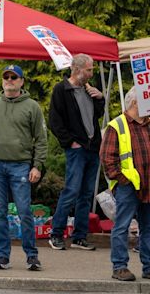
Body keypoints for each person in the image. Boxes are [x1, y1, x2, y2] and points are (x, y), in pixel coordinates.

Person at [0, 65, 46, 271]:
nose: (10, 80)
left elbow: (41, 140)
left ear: (22, 82)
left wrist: (37, 166)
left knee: (24, 211)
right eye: (6, 77)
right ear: (3, 81)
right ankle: (2, 256)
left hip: (21, 165)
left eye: (14, 77)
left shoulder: (32, 107)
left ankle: (32, 255)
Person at [48, 53, 104, 251]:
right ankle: (56, 233)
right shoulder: (62, 90)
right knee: (72, 190)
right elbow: (54, 121)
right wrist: (69, 142)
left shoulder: (88, 88)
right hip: (77, 148)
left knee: (86, 193)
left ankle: (79, 236)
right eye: (89, 70)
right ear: (78, 69)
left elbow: (97, 115)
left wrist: (100, 98)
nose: (91, 73)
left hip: (92, 147)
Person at [100, 86, 150, 281]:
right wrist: (123, 180)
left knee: (147, 227)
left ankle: (148, 267)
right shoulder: (117, 125)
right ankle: (119, 267)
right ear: (135, 102)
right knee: (122, 226)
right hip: (128, 186)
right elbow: (107, 159)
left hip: (146, 184)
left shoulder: (147, 123)